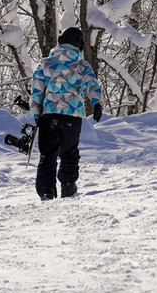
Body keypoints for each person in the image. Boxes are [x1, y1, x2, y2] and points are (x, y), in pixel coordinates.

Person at [29, 26, 103, 201]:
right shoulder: (81, 65)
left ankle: (46, 193)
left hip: (49, 116)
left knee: (47, 155)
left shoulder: (45, 63)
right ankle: (68, 186)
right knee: (69, 153)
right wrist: (96, 102)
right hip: (72, 116)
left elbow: (36, 91)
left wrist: (36, 113)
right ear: (79, 45)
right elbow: (90, 84)